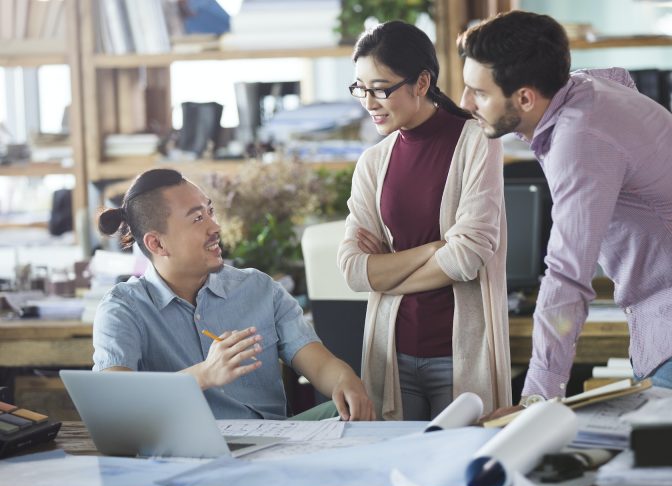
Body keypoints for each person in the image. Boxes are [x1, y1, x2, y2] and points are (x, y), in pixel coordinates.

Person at [457, 11, 672, 405]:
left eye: (478, 93)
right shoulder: (585, 86)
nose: (466, 102)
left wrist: (538, 395)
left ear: (525, 97)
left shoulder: (580, 138)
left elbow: (567, 276)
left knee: (666, 466)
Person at [93, 168, 375, 421]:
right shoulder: (123, 308)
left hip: (278, 446)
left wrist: (343, 380)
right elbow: (113, 400)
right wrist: (204, 374)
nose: (215, 227)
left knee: (371, 410)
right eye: (197, 218)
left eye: (210, 212)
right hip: (186, 454)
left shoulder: (259, 289)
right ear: (157, 243)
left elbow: (320, 364)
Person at [337, 20, 512, 421]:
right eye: (360, 88)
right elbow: (353, 270)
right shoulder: (372, 163)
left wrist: (387, 275)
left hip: (460, 354)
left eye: (381, 88)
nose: (369, 101)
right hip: (391, 355)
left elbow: (467, 256)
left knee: (459, 471)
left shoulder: (477, 141)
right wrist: (433, 248)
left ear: (421, 83)